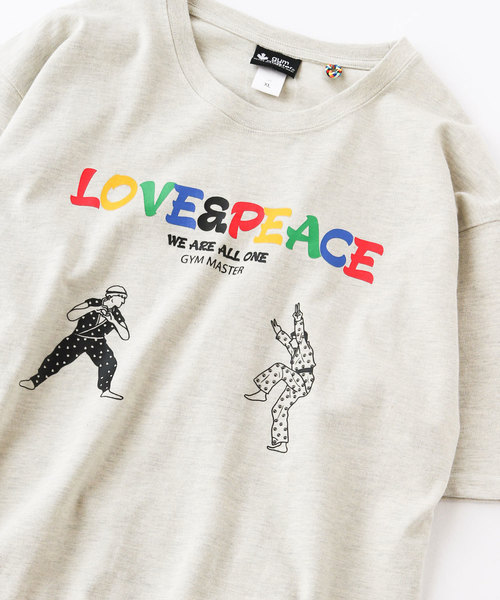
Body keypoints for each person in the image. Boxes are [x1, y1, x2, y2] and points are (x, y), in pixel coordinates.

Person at [19, 285, 129, 400]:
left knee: (110, 362)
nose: (123, 301)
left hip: (98, 341)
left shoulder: (116, 314)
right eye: (122, 298)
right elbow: (71, 315)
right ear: (112, 296)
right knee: (56, 358)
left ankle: (105, 390)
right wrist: (92, 309)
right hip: (78, 337)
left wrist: (113, 321)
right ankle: (34, 381)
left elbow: (125, 335)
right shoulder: (92, 302)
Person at [245, 303, 316, 452]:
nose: (293, 340)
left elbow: (300, 336)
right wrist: (278, 331)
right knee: (279, 408)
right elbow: (287, 343)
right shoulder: (296, 350)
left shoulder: (305, 348)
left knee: (280, 368)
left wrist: (298, 319)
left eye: (294, 338)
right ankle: (281, 443)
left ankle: (263, 392)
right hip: (296, 382)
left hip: (303, 380)